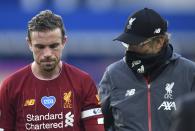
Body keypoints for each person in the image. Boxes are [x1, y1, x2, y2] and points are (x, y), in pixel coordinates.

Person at [0, 10, 104, 131]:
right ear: (29, 44)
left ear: (64, 42)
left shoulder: (83, 82)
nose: (47, 54)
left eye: (53, 46)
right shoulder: (11, 86)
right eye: (40, 47)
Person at [99, 8, 195, 131]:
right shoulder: (113, 74)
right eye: (127, 44)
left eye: (136, 44)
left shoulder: (189, 73)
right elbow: (97, 124)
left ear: (159, 42)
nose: (129, 50)